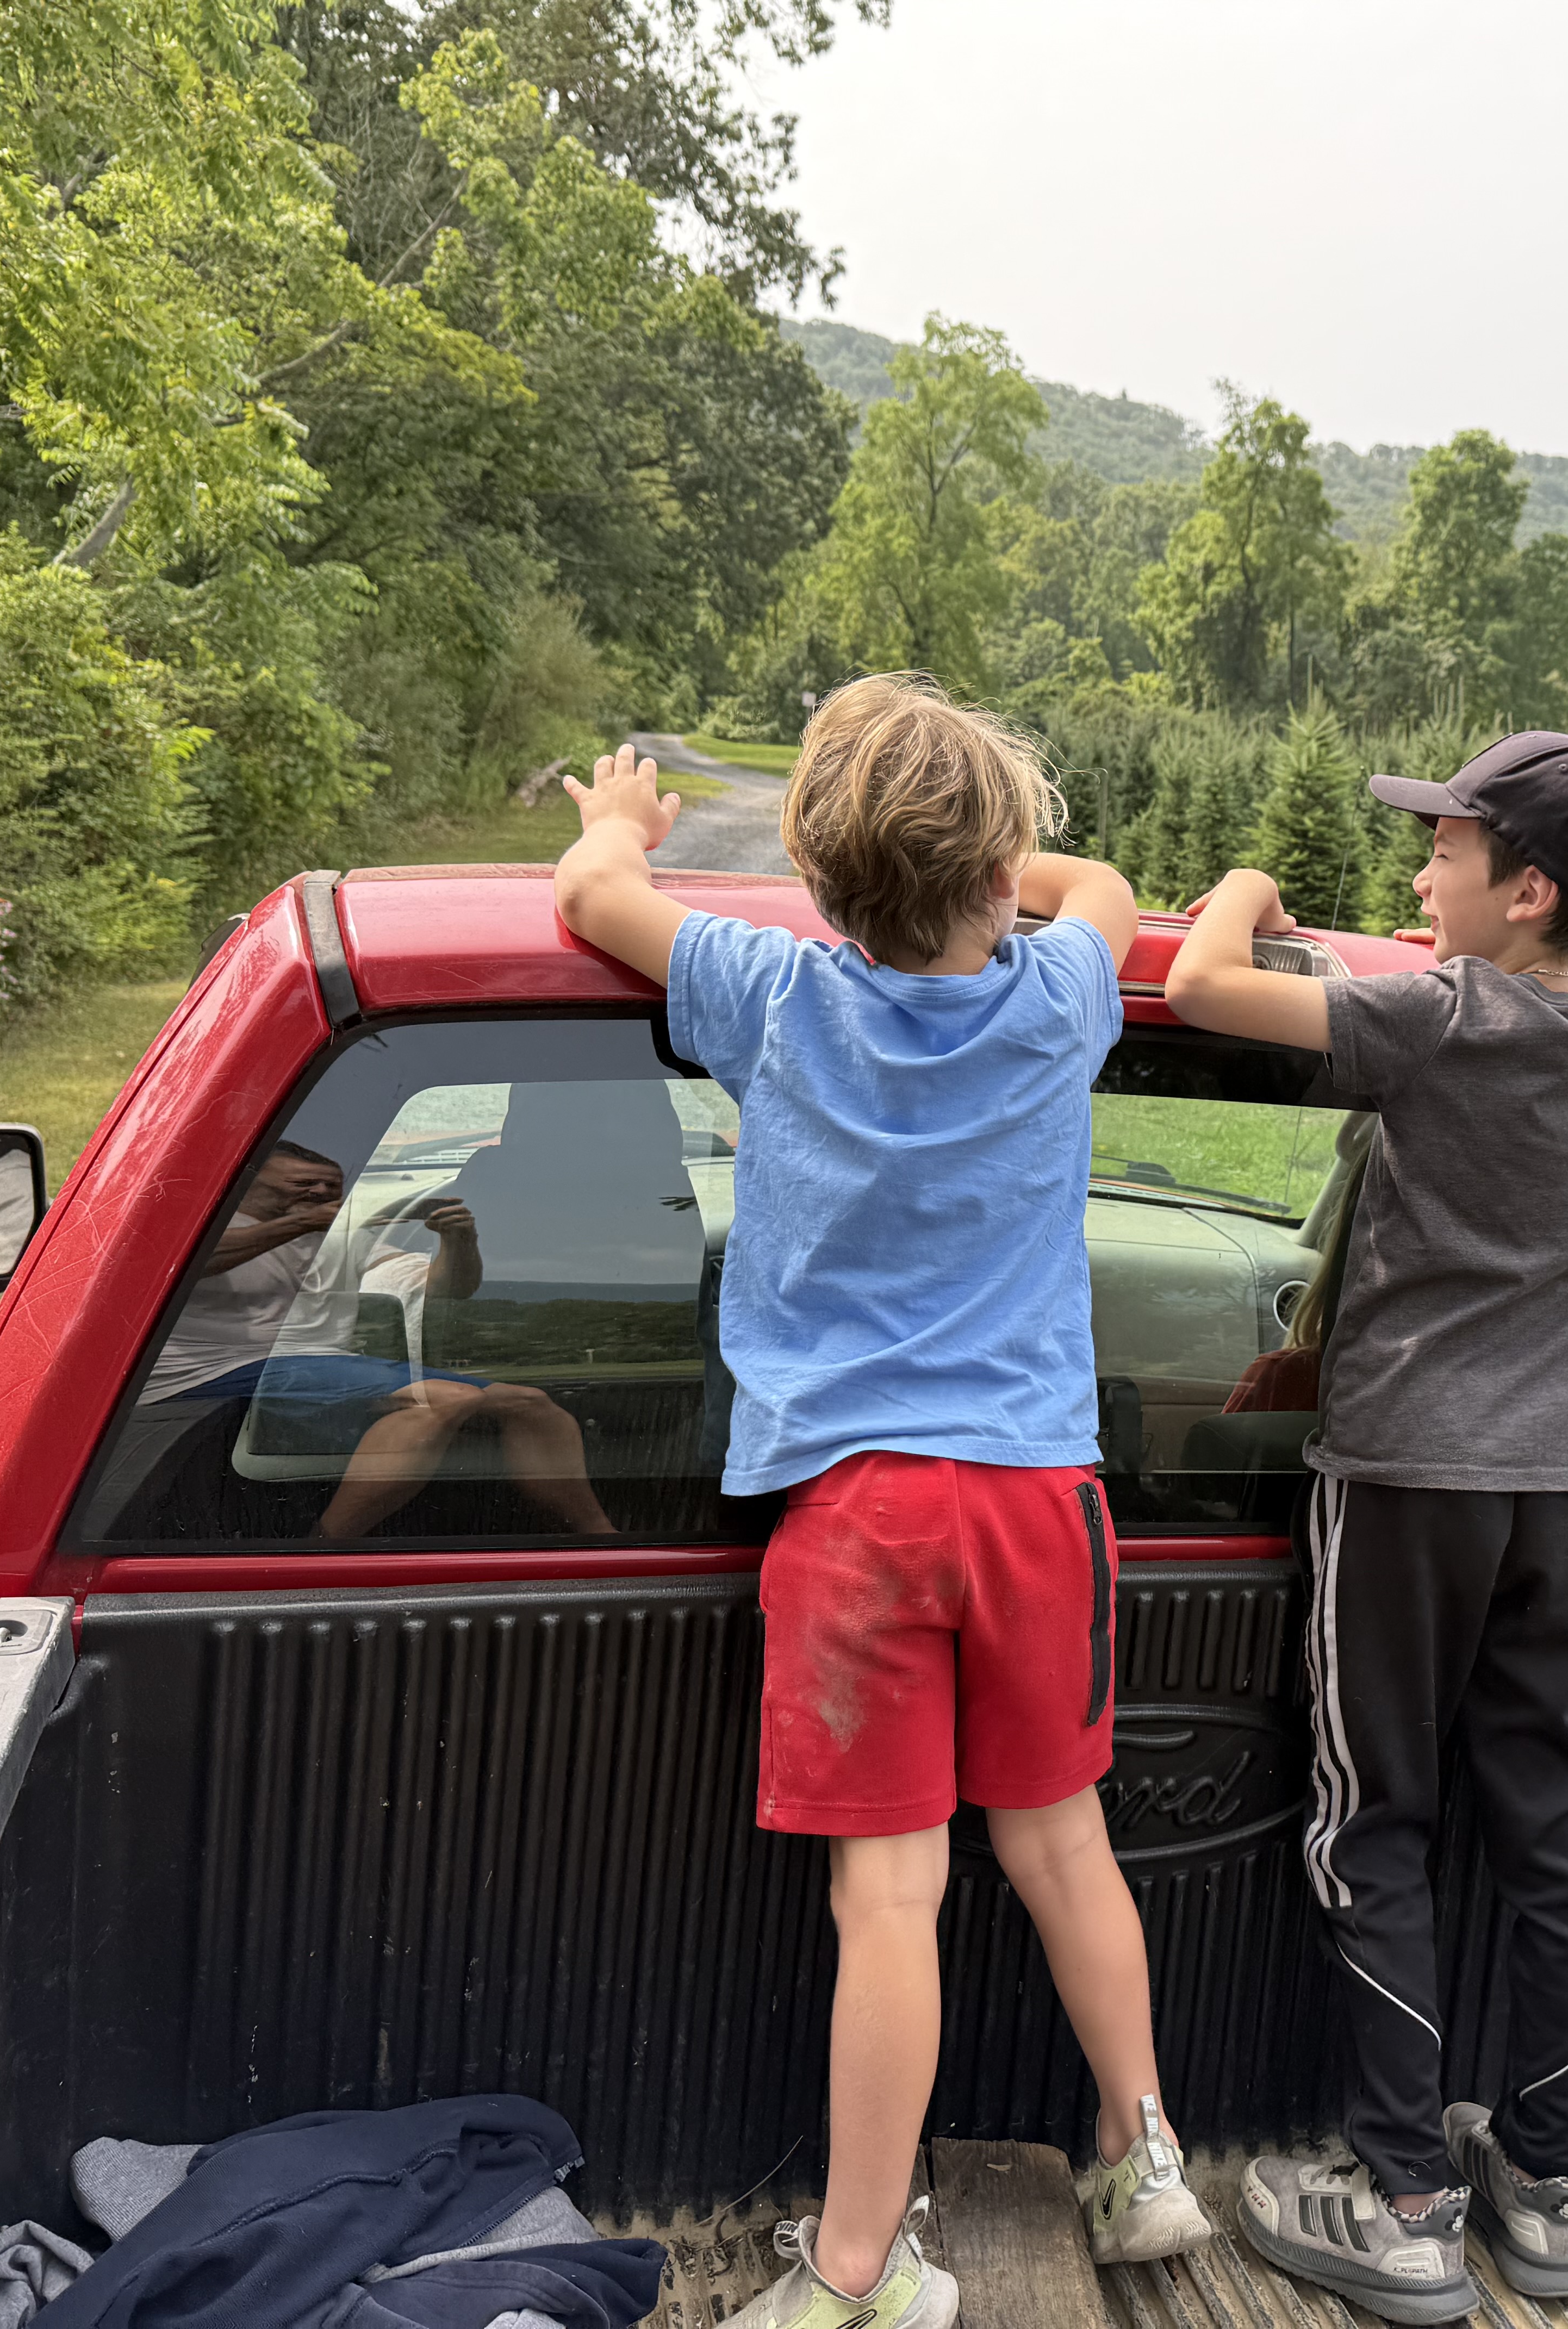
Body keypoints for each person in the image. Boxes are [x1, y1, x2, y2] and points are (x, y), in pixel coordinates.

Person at [551, 681, 1215, 2329]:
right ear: (996, 874)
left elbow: (591, 903)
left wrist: (618, 827)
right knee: (1069, 1850)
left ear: (813, 878)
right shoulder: (1061, 998)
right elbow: (1103, 896)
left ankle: (859, 2272)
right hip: (1037, 1507)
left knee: (891, 1900)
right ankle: (1144, 2161)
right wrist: (1006, 874)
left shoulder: (773, 991)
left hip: (858, 1518)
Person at [1165, 731, 1568, 2322]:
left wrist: (1244, 887)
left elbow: (1208, 988)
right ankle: (1545, 2191)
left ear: (1525, 886)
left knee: (1376, 1824)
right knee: (1556, 1841)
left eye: (1445, 851)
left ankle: (1403, 2197)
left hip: (1406, 1482)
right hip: (1556, 1496)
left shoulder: (1435, 1010)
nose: (1419, 874)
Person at [139, 1141, 618, 1541]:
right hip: (215, 1370)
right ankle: (322, 1550)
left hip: (316, 1365)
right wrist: (303, 1223)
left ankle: (602, 1540)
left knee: (531, 1403)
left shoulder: (341, 1236)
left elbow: (445, 1289)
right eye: (303, 1185)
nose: (321, 1195)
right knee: (443, 1400)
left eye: (331, 1187)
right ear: (249, 1183)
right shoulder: (204, 1228)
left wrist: (459, 1242)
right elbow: (184, 1263)